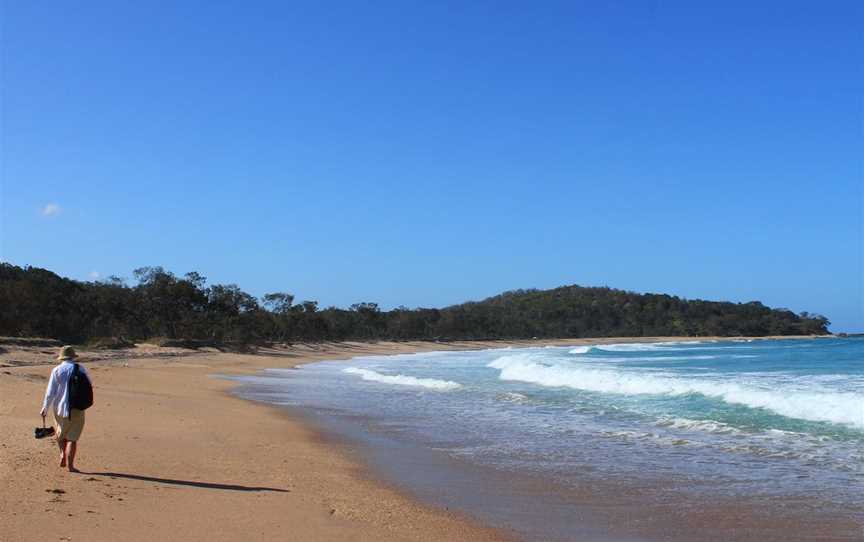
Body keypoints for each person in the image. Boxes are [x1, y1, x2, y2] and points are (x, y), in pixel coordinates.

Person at [40, 346, 92, 473]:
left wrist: (45, 408)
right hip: (77, 408)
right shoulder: (81, 368)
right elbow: (89, 385)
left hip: (59, 408)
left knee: (60, 434)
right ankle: (71, 466)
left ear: (62, 357)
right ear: (73, 356)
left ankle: (62, 453)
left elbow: (50, 392)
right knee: (72, 439)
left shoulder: (57, 370)